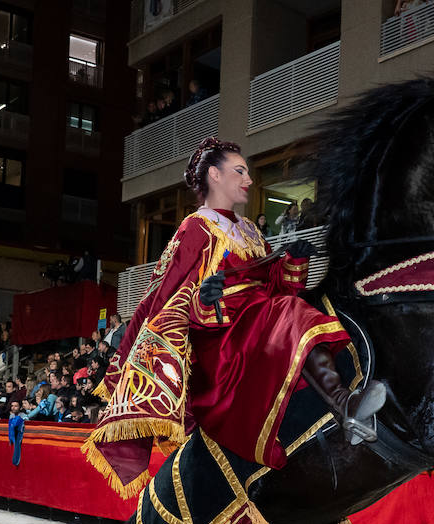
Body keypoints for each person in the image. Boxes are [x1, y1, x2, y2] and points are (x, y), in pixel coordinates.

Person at [86, 138, 386, 494]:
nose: (249, 179)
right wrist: (205, 299)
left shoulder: (249, 231)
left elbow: (278, 286)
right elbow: (167, 296)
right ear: (214, 175)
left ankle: (341, 404)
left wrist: (294, 261)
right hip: (223, 338)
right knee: (290, 311)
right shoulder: (196, 228)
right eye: (239, 171)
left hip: (260, 320)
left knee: (302, 308)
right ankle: (343, 404)